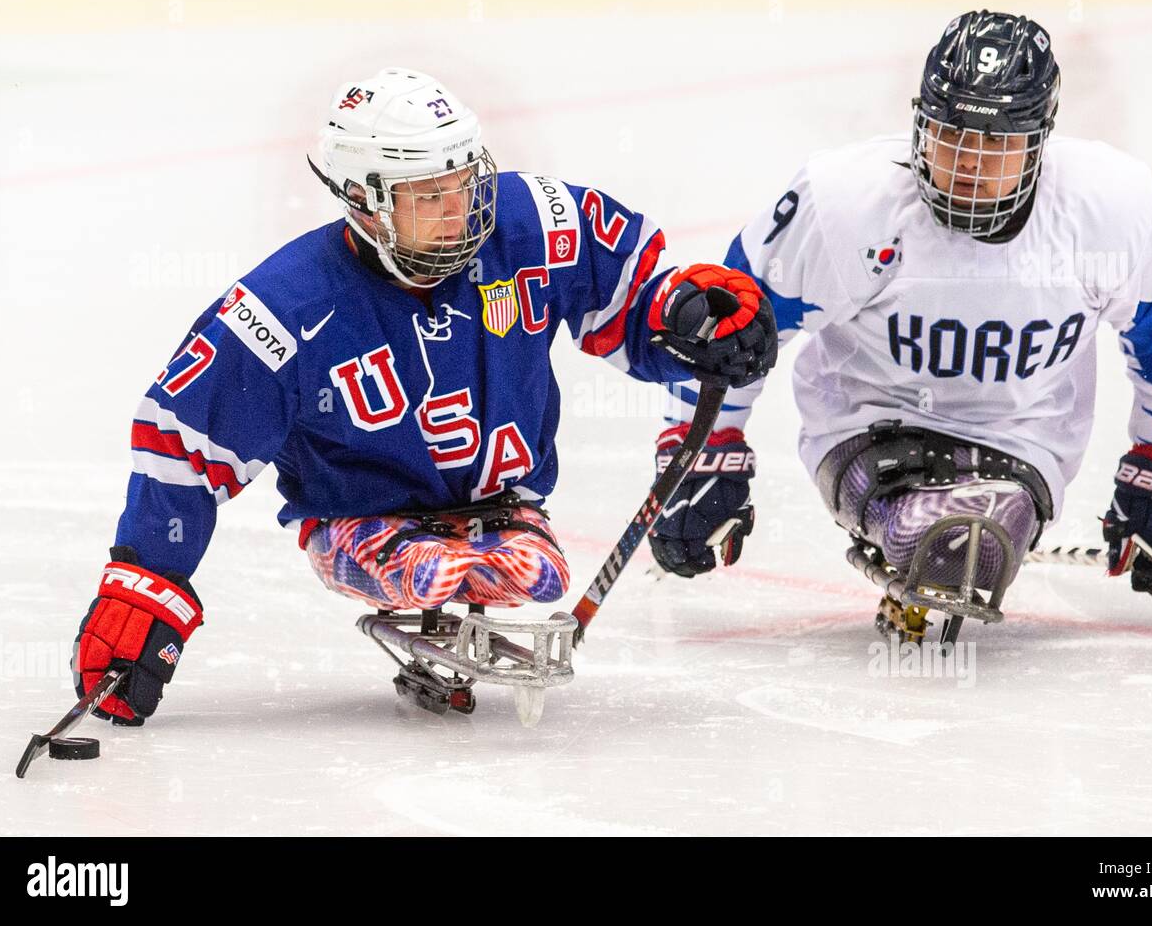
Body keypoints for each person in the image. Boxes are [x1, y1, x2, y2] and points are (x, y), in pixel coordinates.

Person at [75, 67, 776, 723]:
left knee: (535, 573)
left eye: (465, 183)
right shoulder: (285, 311)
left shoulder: (533, 224)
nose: (460, 212)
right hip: (363, 521)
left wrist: (688, 315)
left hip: (504, 511)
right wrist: (144, 587)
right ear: (365, 202)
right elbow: (182, 442)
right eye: (428, 197)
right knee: (431, 572)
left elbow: (630, 291)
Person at [647, 11, 1152, 637]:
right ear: (919, 123)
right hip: (868, 426)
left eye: (996, 143)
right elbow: (730, 329)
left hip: (1021, 446)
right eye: (951, 135)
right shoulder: (844, 203)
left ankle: (951, 534)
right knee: (966, 535)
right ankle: (934, 532)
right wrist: (703, 455)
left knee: (977, 527)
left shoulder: (1112, 209)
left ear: (1040, 142)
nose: (969, 163)